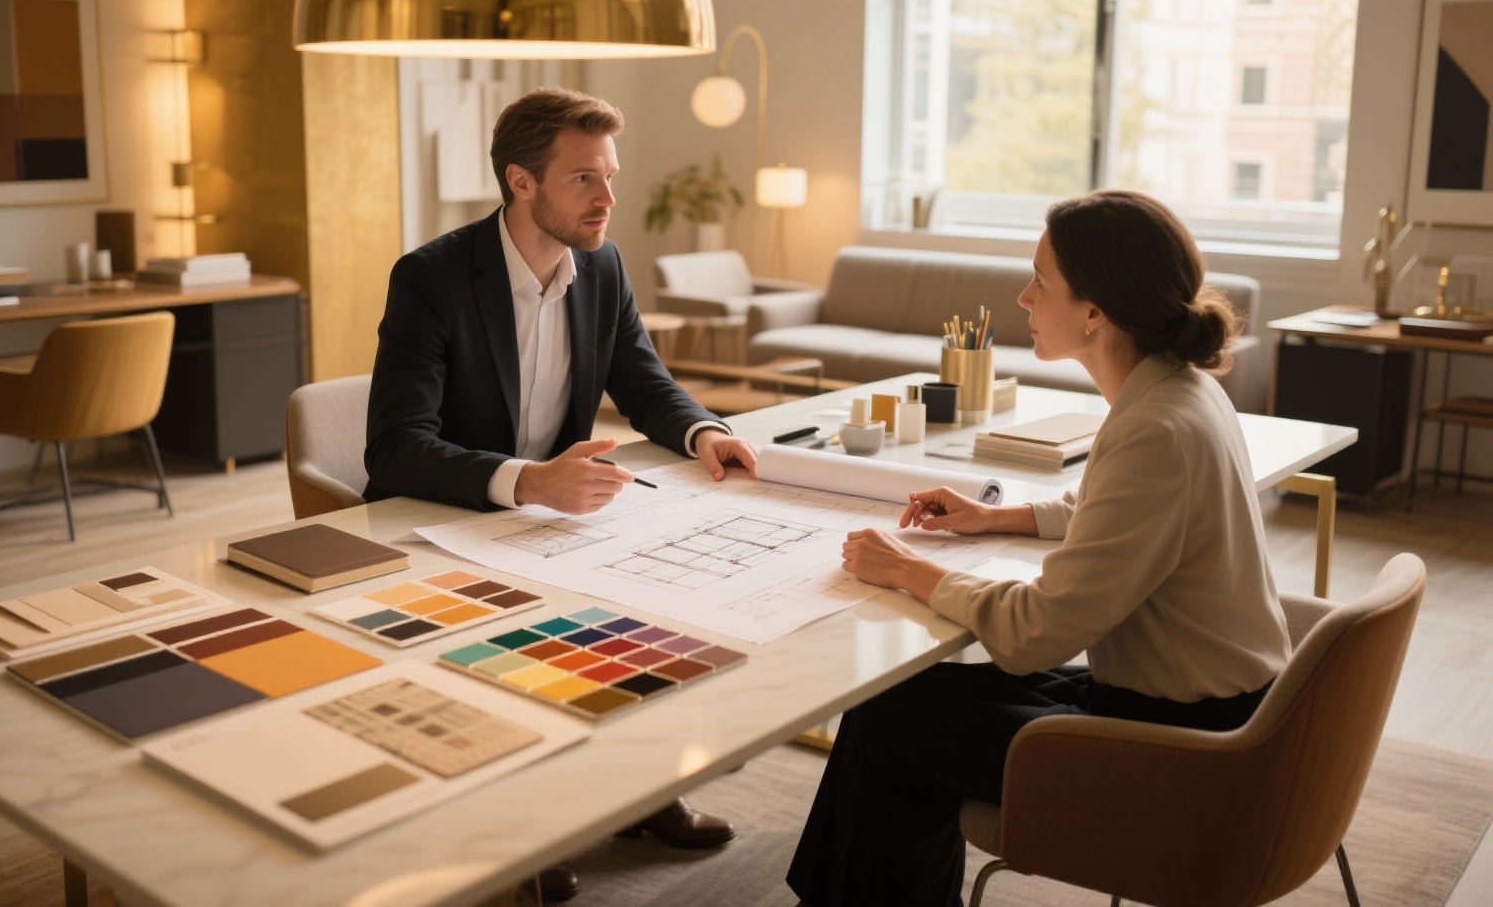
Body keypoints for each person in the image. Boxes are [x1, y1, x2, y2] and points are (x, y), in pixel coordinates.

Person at [786, 190, 1292, 907]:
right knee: (889, 698)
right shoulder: (1180, 394)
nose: (1023, 297)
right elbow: (1115, 514)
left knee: (895, 727)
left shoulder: (1156, 429)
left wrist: (906, 569)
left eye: (1040, 281)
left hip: (1181, 749)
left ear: (1095, 312)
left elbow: (1036, 634)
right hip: (1206, 706)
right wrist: (997, 518)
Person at [365, 87, 759, 902]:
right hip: (444, 518)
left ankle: (639, 791)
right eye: (584, 179)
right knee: (524, 647)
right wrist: (525, 481)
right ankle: (527, 828)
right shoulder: (434, 277)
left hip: (550, 514)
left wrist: (705, 433)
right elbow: (396, 447)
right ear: (522, 182)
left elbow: (643, 381)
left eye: (610, 175)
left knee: (655, 609)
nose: (608, 198)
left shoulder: (603, 265)